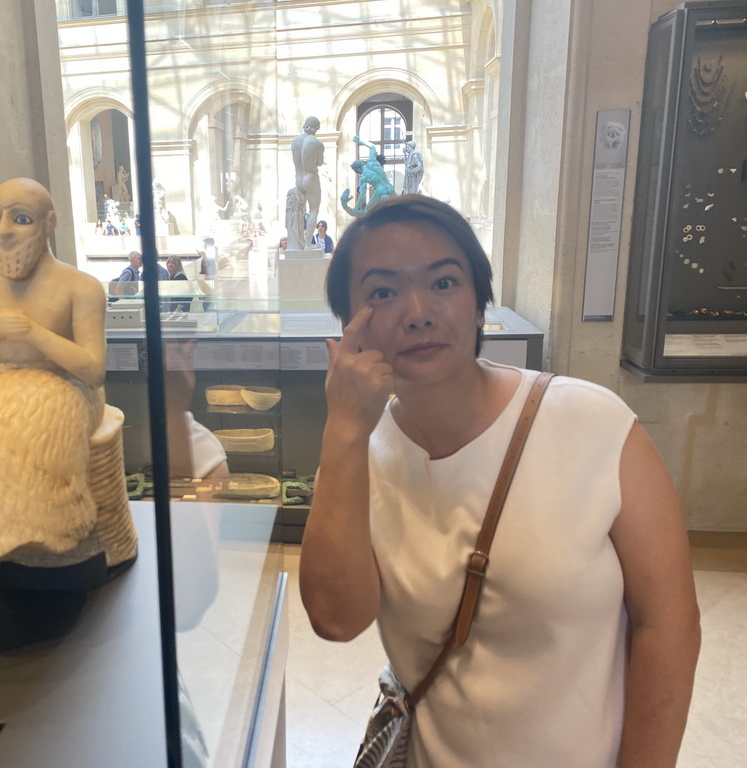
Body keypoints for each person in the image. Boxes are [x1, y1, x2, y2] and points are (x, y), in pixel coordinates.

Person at [299, 195, 700, 767]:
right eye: (382, 292)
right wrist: (343, 433)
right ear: (349, 325)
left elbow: (669, 625)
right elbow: (336, 620)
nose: (418, 311)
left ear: (480, 301)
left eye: (443, 282)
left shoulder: (594, 423)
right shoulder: (357, 459)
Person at [0, 178, 135, 573]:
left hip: (66, 386)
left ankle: (49, 532)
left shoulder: (80, 287)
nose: (4, 231)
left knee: (40, 428)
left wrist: (36, 334)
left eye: (20, 219)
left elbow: (93, 370)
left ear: (48, 224)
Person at [288, 116, 324, 249]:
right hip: (310, 177)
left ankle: (298, 243)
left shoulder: (295, 141)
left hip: (298, 178)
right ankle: (308, 244)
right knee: (314, 210)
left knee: (299, 211)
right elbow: (319, 162)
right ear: (316, 128)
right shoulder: (317, 143)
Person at [340, 135, 396, 218]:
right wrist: (360, 141)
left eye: (356, 171)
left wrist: (356, 208)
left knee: (368, 209)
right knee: (399, 208)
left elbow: (362, 194)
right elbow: (372, 147)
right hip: (390, 187)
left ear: (358, 168)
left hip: (380, 191)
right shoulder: (372, 162)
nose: (357, 172)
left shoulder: (363, 177)